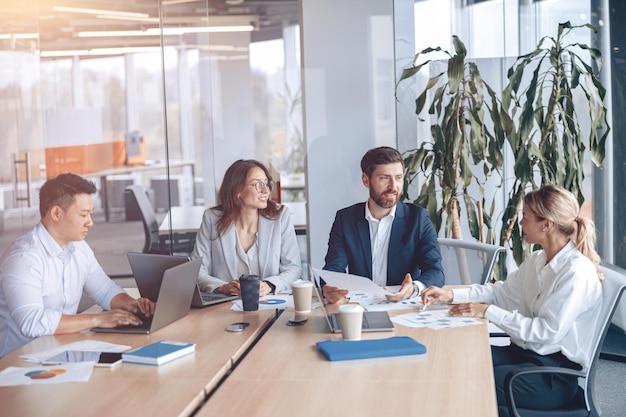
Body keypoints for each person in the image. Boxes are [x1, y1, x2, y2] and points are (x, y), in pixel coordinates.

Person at [421, 184, 603, 414]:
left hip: (550, 376)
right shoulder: (538, 259)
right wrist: (450, 294)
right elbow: (501, 294)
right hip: (522, 356)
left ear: (546, 225)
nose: (520, 224)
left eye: (526, 218)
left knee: (463, 381)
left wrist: (487, 311)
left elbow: (544, 332)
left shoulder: (576, 273)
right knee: (454, 360)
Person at [0, 173, 155, 358]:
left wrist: (132, 305)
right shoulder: (23, 258)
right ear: (57, 213)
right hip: (19, 363)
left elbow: (104, 289)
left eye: (90, 213)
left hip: (60, 350)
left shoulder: (79, 247)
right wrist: (97, 319)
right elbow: (33, 323)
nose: (90, 222)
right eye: (84, 214)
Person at [323, 146, 444, 303]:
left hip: (403, 305)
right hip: (360, 307)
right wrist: (329, 287)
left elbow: (435, 271)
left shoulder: (418, 218)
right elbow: (333, 268)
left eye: (399, 178)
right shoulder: (345, 219)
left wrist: (413, 288)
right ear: (366, 180)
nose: (393, 186)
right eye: (385, 178)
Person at [192, 159, 301, 296]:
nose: (265, 190)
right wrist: (223, 287)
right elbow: (196, 271)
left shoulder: (280, 216)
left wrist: (269, 285)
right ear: (237, 190)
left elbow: (293, 268)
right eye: (257, 184)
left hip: (270, 304)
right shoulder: (212, 219)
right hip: (224, 307)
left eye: (266, 184)